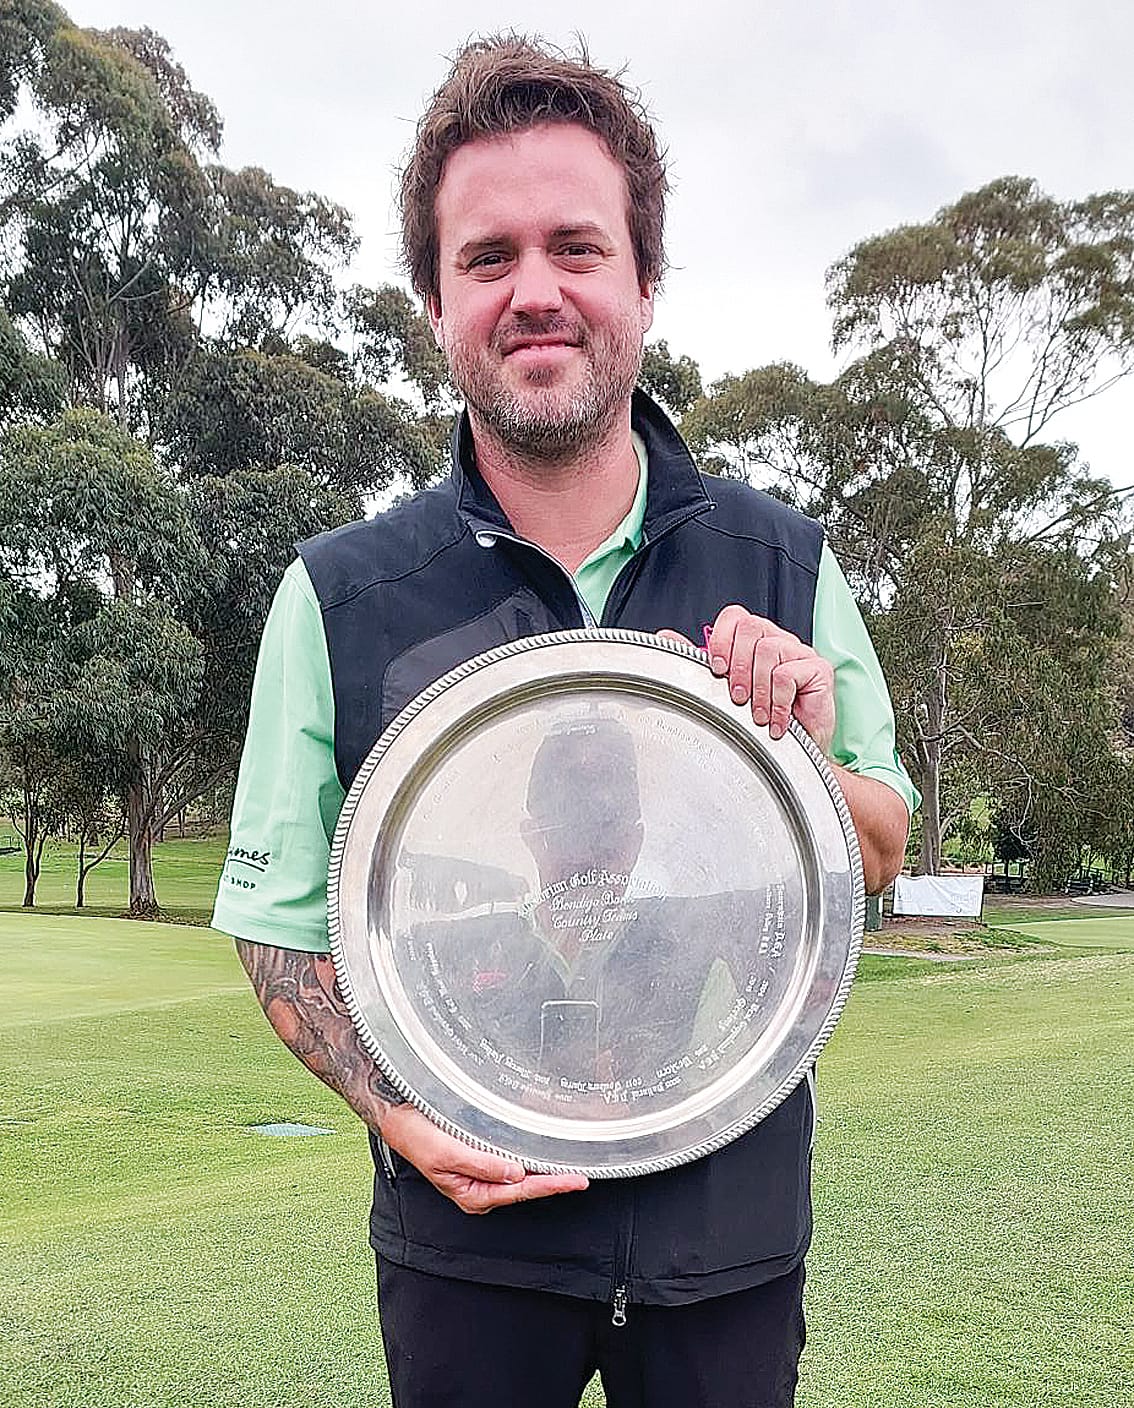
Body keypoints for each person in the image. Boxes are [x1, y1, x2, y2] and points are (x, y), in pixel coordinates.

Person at [212, 35, 918, 1408]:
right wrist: (402, 1120)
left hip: (726, 1248)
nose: (535, 291)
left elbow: (881, 848)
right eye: (487, 258)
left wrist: (791, 744)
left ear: (641, 282)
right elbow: (282, 925)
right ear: (434, 303)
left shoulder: (785, 565)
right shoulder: (339, 595)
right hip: (468, 1256)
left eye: (575, 247)